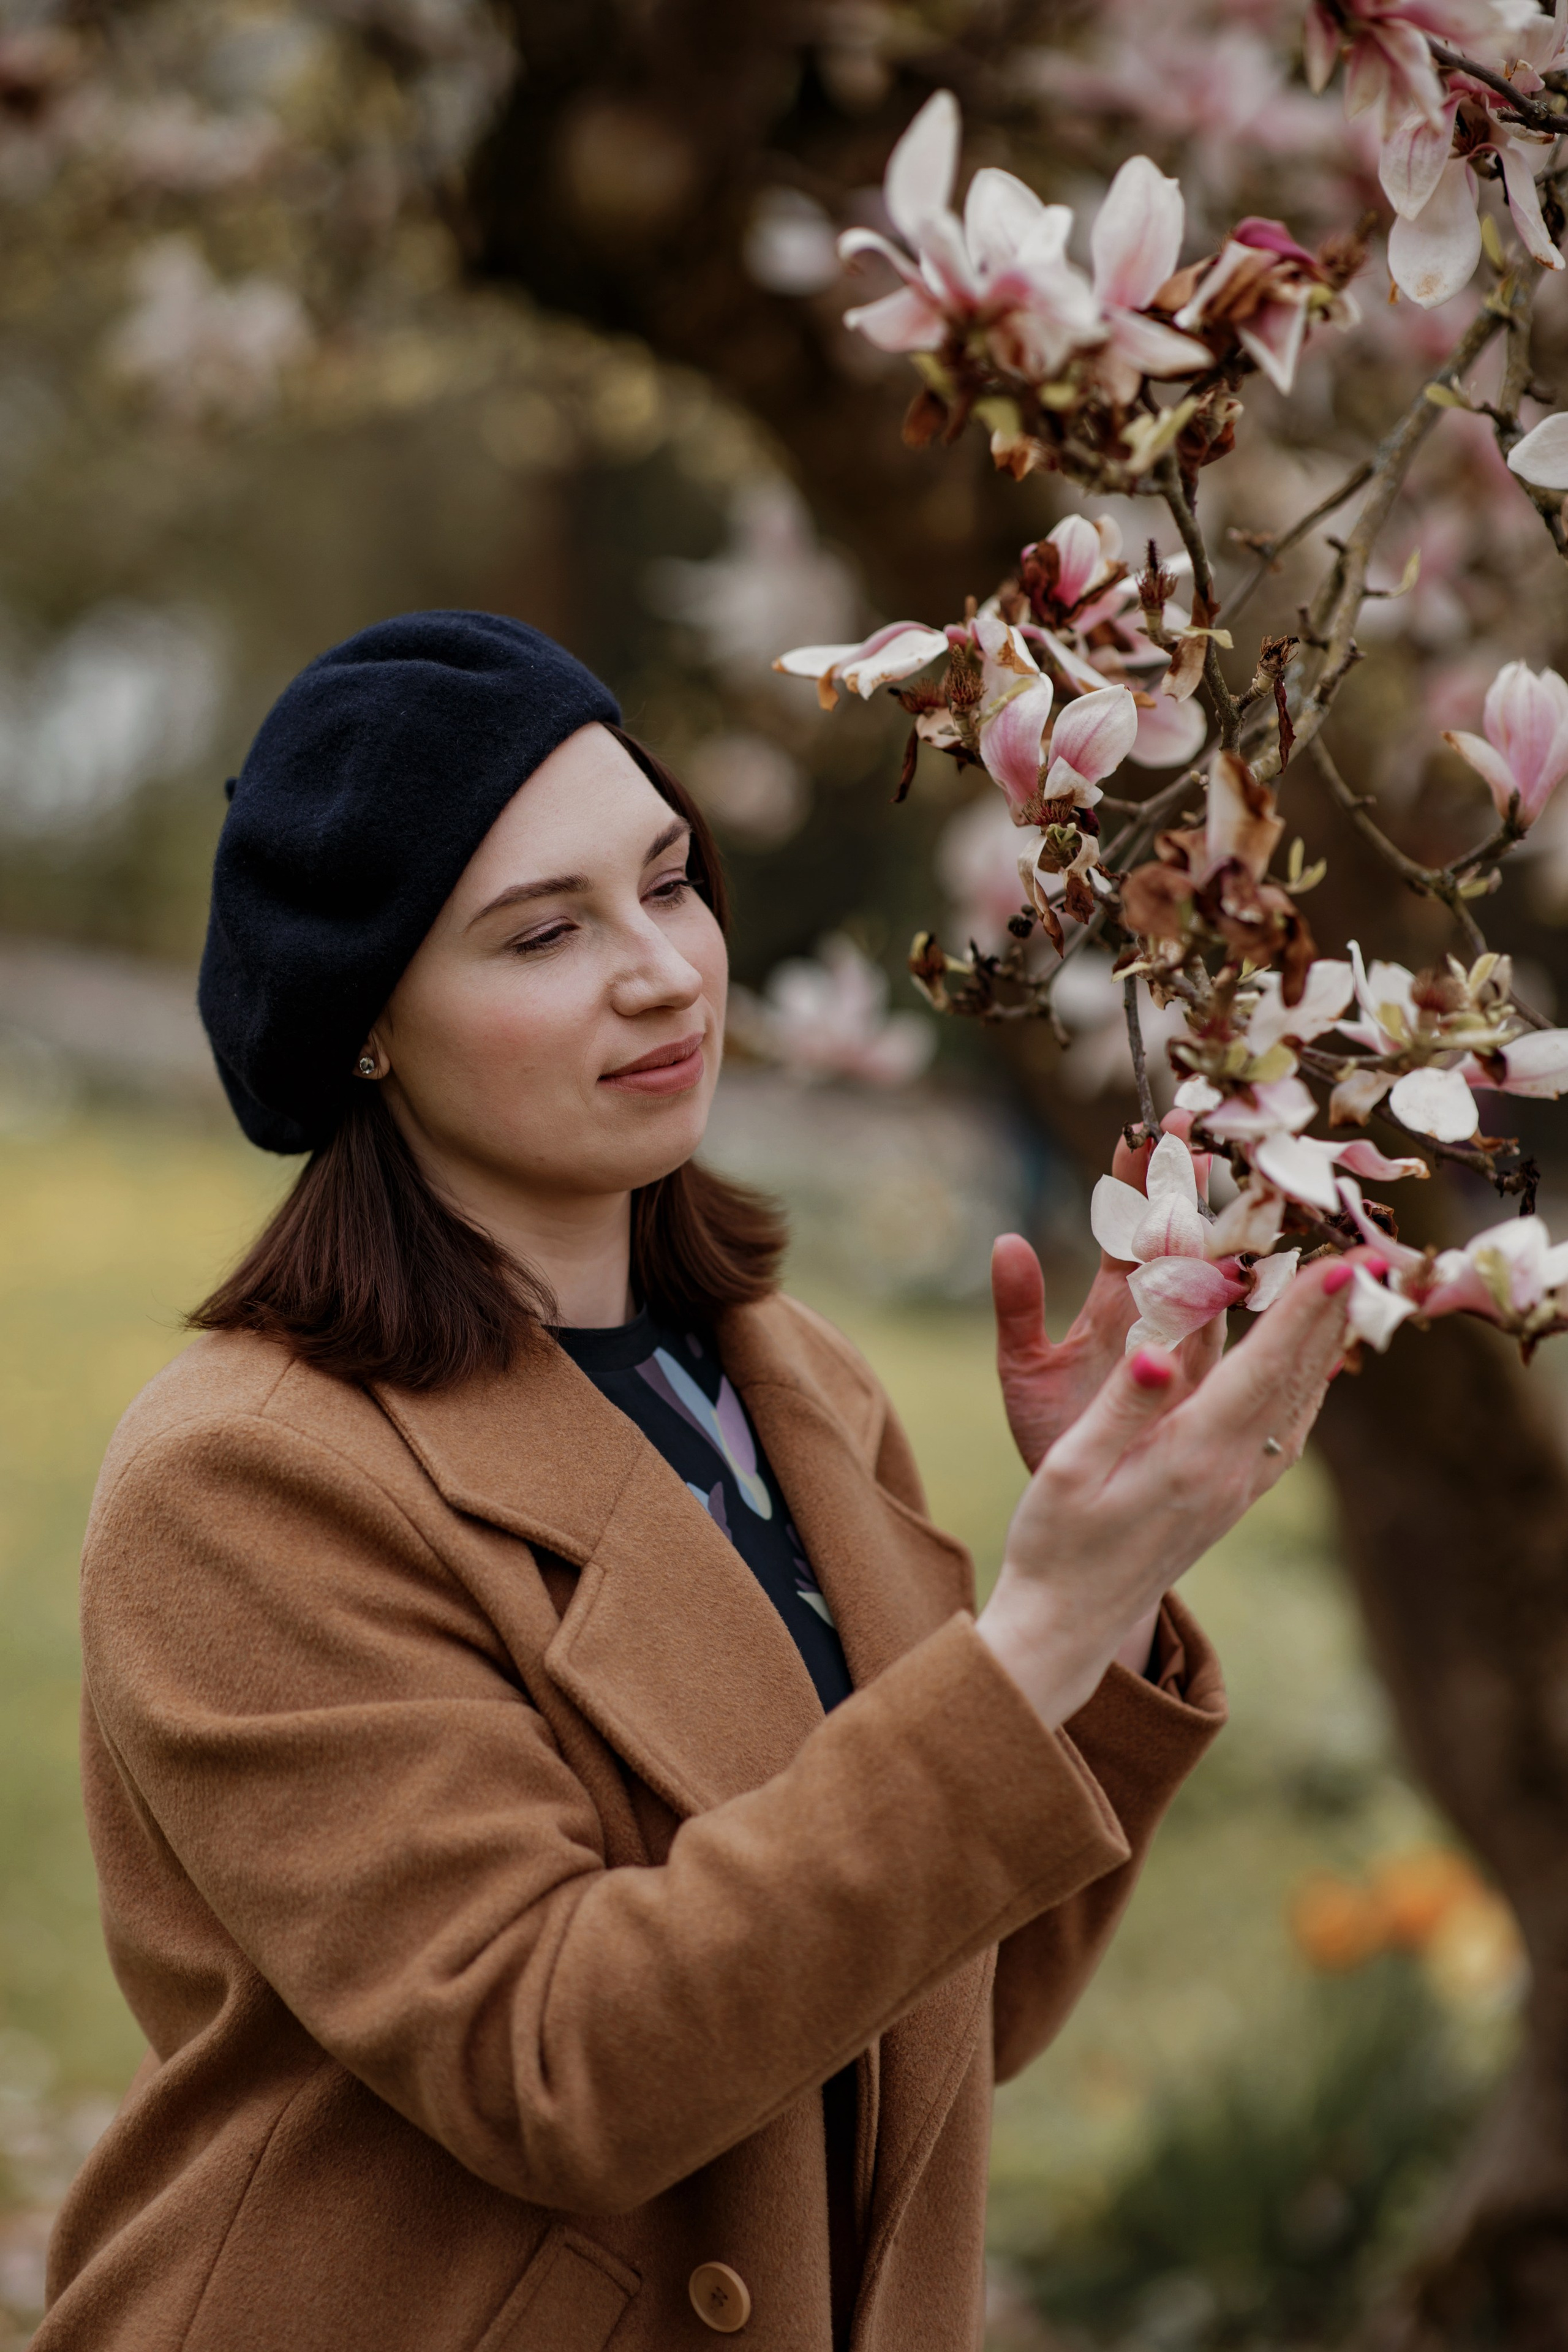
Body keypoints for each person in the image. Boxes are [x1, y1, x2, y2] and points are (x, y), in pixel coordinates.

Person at [40, 614, 1352, 2352]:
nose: (663, 970)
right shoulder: (244, 1484)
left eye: (668, 882)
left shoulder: (795, 1390)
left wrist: (1104, 1584)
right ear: (369, 1024)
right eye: (544, 932)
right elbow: (558, 2064)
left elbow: (943, 2006)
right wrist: (1027, 1631)